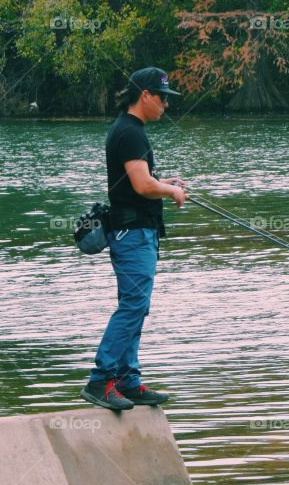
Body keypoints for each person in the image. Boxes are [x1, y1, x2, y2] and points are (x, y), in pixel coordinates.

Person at [80, 67, 187, 411]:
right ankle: (100, 381)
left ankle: (128, 381)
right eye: (162, 98)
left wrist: (164, 181)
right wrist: (170, 190)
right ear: (145, 95)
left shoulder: (129, 131)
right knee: (133, 306)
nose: (165, 106)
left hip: (136, 233)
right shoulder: (130, 133)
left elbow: (138, 181)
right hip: (133, 235)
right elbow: (142, 186)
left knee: (136, 307)